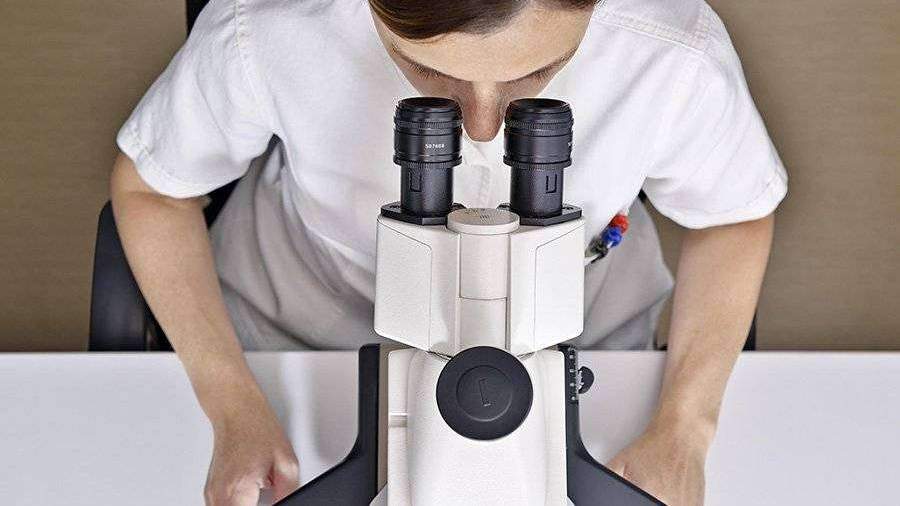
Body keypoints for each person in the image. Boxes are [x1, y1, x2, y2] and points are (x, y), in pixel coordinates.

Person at [110, 0, 787, 504]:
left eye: (538, 73)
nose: (483, 129)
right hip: (303, 345)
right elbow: (153, 192)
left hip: (582, 353)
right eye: (427, 71)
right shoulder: (271, 22)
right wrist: (232, 403)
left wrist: (684, 428)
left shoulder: (671, 46)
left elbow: (733, 219)